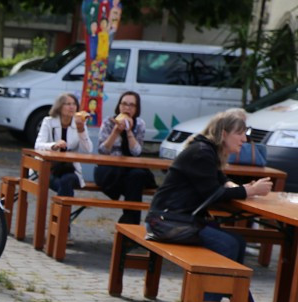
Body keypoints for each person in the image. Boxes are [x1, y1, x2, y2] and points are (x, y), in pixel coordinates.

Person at [147, 109, 272, 285]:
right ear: (223, 133)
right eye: (240, 133)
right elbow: (213, 194)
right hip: (166, 222)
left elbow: (221, 180)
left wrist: (239, 187)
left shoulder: (208, 150)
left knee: (238, 241)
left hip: (178, 218)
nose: (244, 139)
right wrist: (249, 191)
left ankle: (228, 297)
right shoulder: (202, 152)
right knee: (228, 245)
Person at [96, 90, 155, 225]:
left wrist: (128, 131)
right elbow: (103, 151)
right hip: (110, 170)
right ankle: (129, 224)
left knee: (138, 175)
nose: (127, 108)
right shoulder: (108, 122)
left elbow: (137, 152)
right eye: (124, 104)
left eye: (131, 105)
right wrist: (116, 131)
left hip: (130, 170)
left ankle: (129, 223)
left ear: (136, 108)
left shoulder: (139, 124)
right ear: (119, 106)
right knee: (135, 181)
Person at [35, 93, 92, 197]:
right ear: (59, 107)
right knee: (63, 186)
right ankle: (64, 212)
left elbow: (87, 150)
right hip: (49, 168)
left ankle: (59, 212)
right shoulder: (48, 121)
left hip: (70, 168)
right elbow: (38, 146)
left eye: (74, 104)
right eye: (68, 104)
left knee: (67, 180)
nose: (72, 107)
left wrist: (81, 130)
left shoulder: (79, 123)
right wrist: (54, 145)